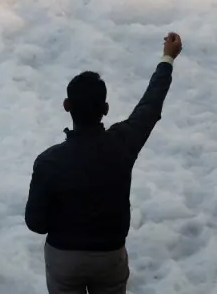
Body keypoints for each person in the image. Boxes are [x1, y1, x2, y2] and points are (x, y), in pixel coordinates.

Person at [25, 32, 183, 294]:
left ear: (66, 105)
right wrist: (167, 58)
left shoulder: (48, 162)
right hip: (110, 254)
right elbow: (150, 105)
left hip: (64, 258)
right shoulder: (122, 143)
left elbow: (36, 223)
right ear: (105, 109)